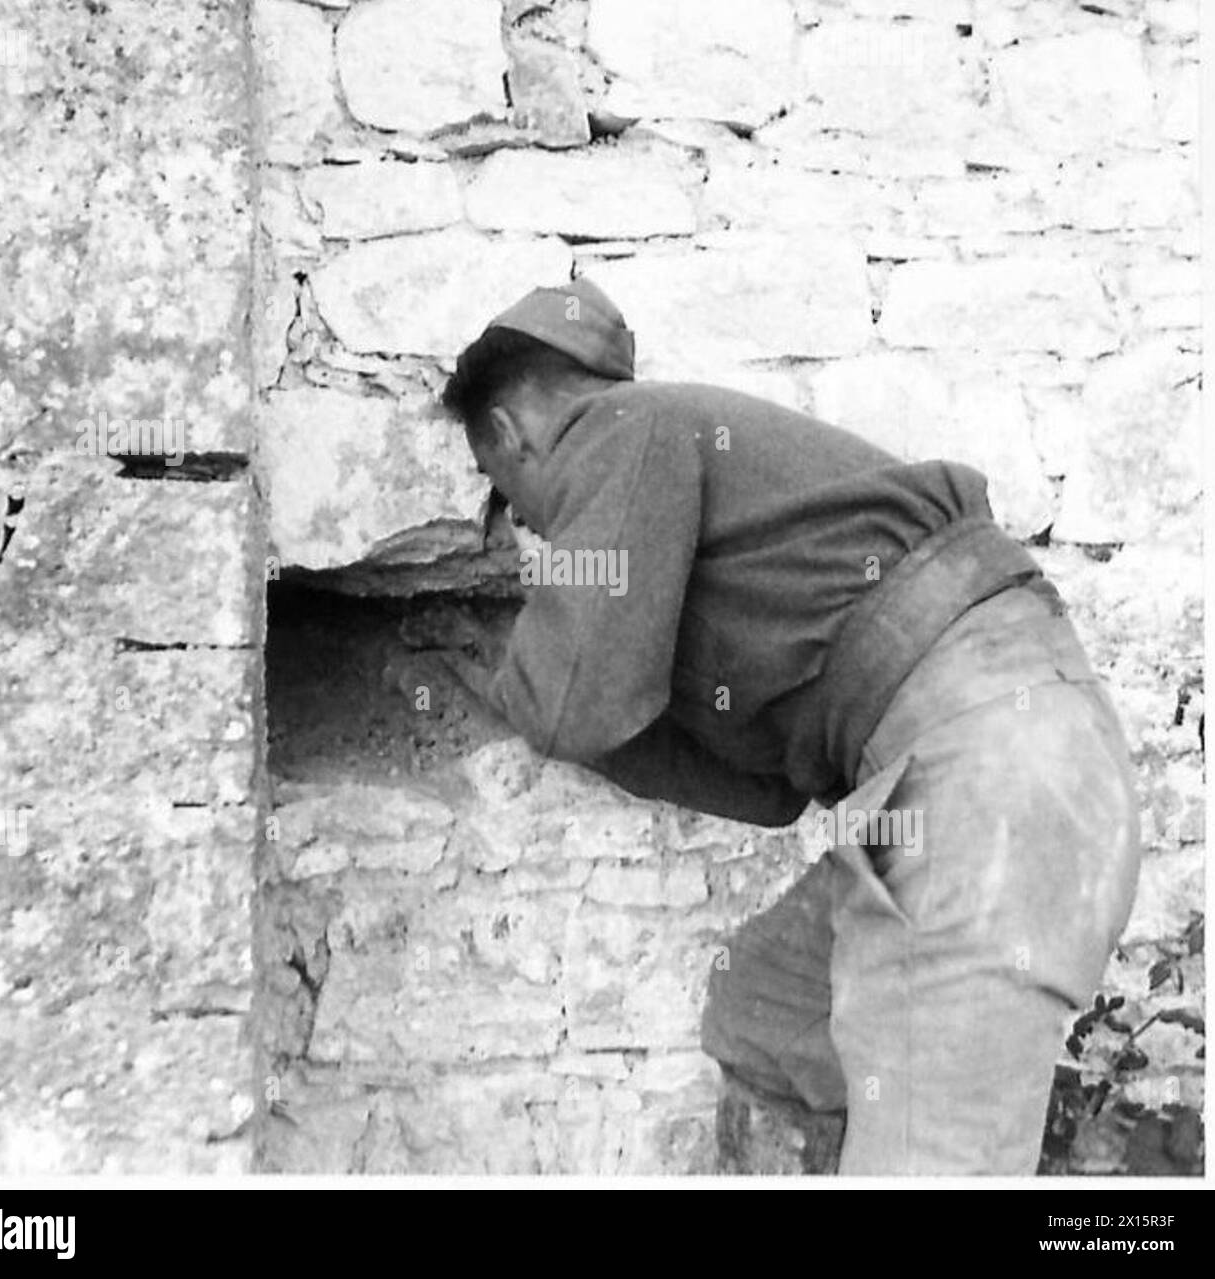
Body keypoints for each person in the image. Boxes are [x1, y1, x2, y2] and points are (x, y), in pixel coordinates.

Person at [434, 277, 1142, 1175]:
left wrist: (497, 681)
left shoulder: (623, 432)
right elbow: (763, 787)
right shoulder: (692, 469)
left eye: (511, 504)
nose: (530, 530)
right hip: (993, 754)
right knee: (768, 1010)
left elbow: (578, 699)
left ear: (505, 436)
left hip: (991, 775)